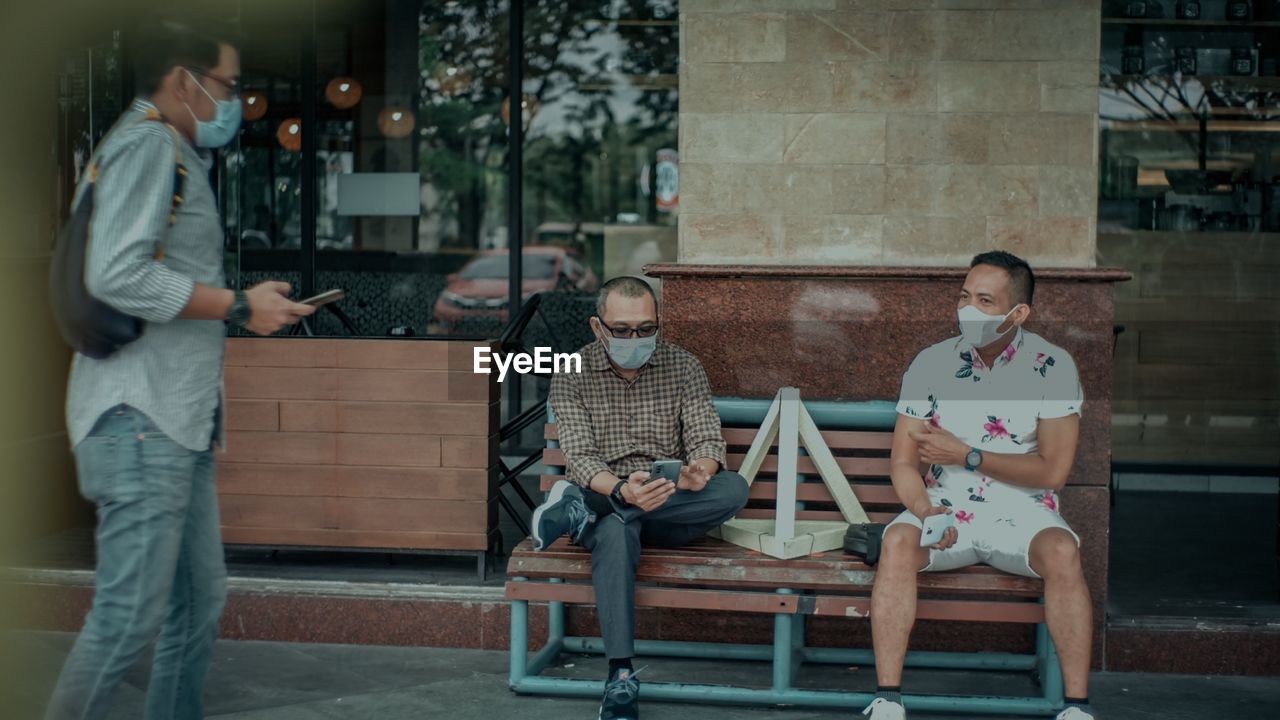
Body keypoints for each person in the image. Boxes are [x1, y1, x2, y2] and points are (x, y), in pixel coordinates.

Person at [44, 12, 314, 720]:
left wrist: (214, 396)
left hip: (175, 422)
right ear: (182, 80)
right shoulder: (147, 148)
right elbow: (115, 275)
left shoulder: (178, 154)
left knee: (195, 607)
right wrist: (236, 304)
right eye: (227, 84)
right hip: (139, 421)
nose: (235, 100)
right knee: (130, 615)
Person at [861, 252, 1095, 720]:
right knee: (898, 540)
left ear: (1018, 313)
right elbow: (903, 462)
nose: (969, 309)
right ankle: (888, 697)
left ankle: (1075, 706)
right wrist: (925, 510)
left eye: (985, 301)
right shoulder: (931, 364)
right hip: (947, 511)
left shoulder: (1053, 366)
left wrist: (967, 455)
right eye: (965, 296)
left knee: (1064, 552)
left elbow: (1053, 472)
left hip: (1024, 513)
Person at [532, 276, 749, 720]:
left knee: (734, 487)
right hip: (610, 491)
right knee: (616, 527)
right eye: (623, 329)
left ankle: (578, 511)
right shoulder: (572, 371)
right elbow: (579, 454)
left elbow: (708, 441)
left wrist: (697, 474)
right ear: (598, 327)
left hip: (670, 505)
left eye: (646, 329)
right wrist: (620, 491)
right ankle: (621, 674)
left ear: (659, 324)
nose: (636, 339)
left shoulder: (684, 366)